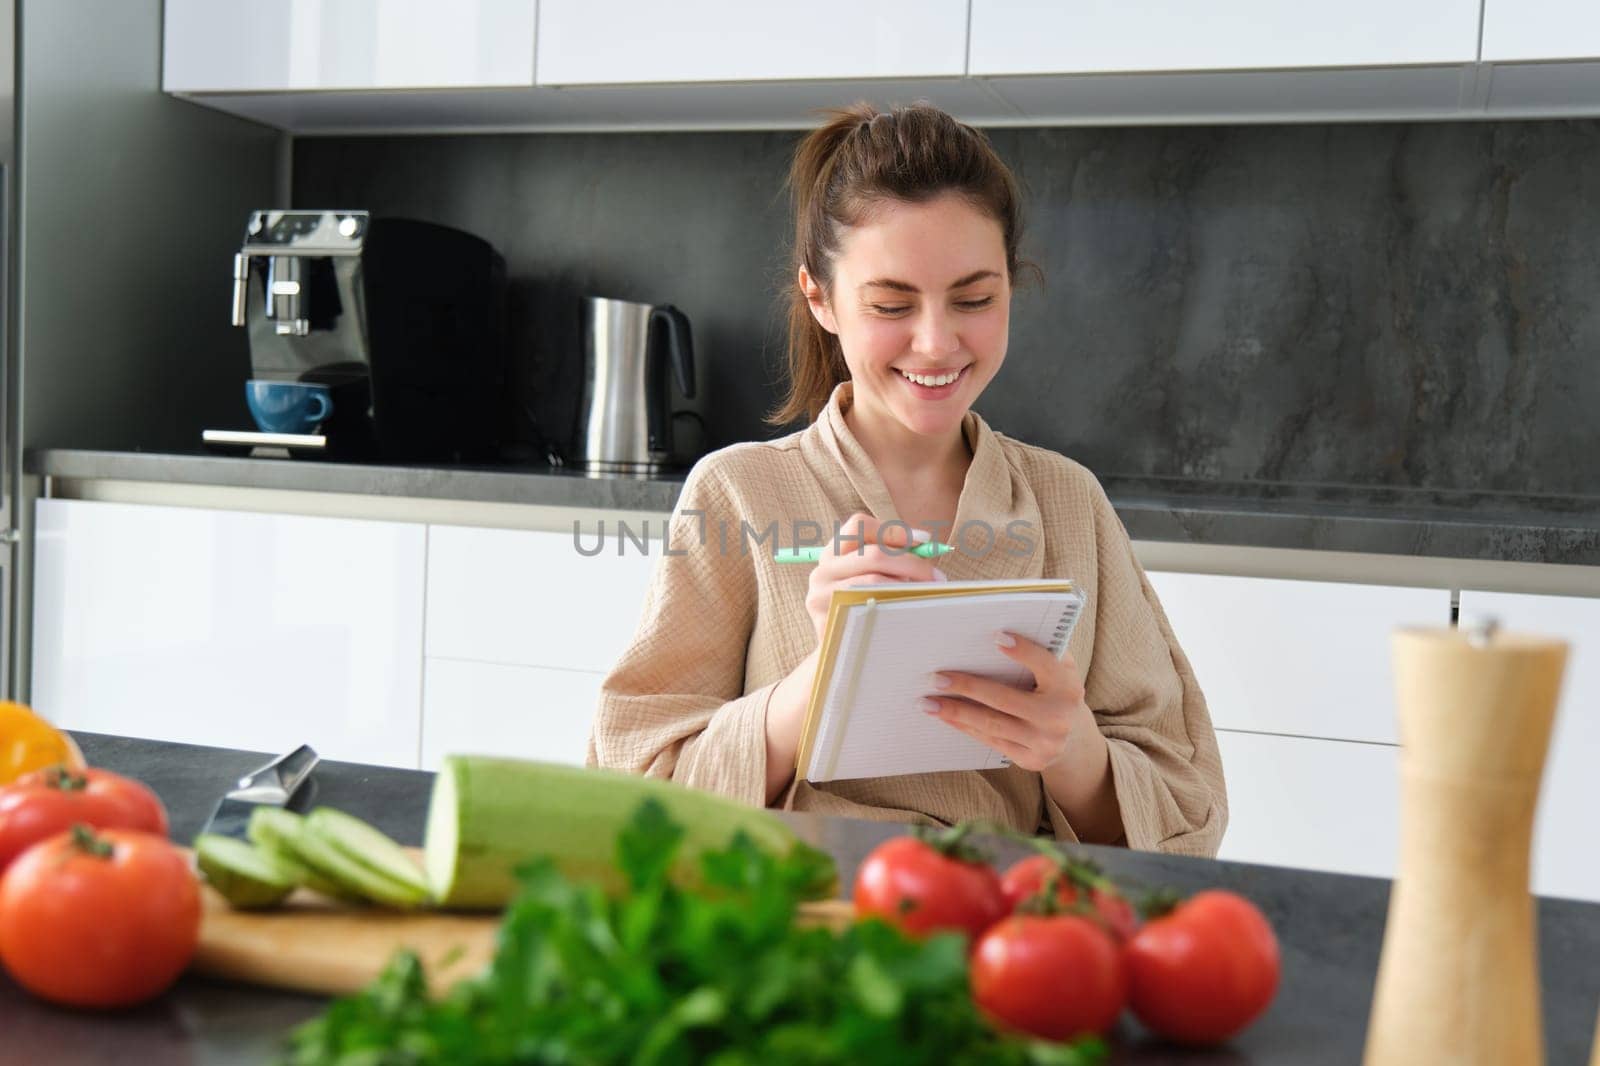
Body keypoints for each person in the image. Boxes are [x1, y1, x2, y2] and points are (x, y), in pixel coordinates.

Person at [589, 102, 1226, 855]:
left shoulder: (1068, 502)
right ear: (820, 299)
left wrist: (1071, 750)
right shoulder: (741, 495)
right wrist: (819, 679)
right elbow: (632, 798)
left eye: (975, 299)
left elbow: (1189, 812)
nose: (936, 342)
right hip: (796, 919)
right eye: (892, 304)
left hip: (1006, 931)